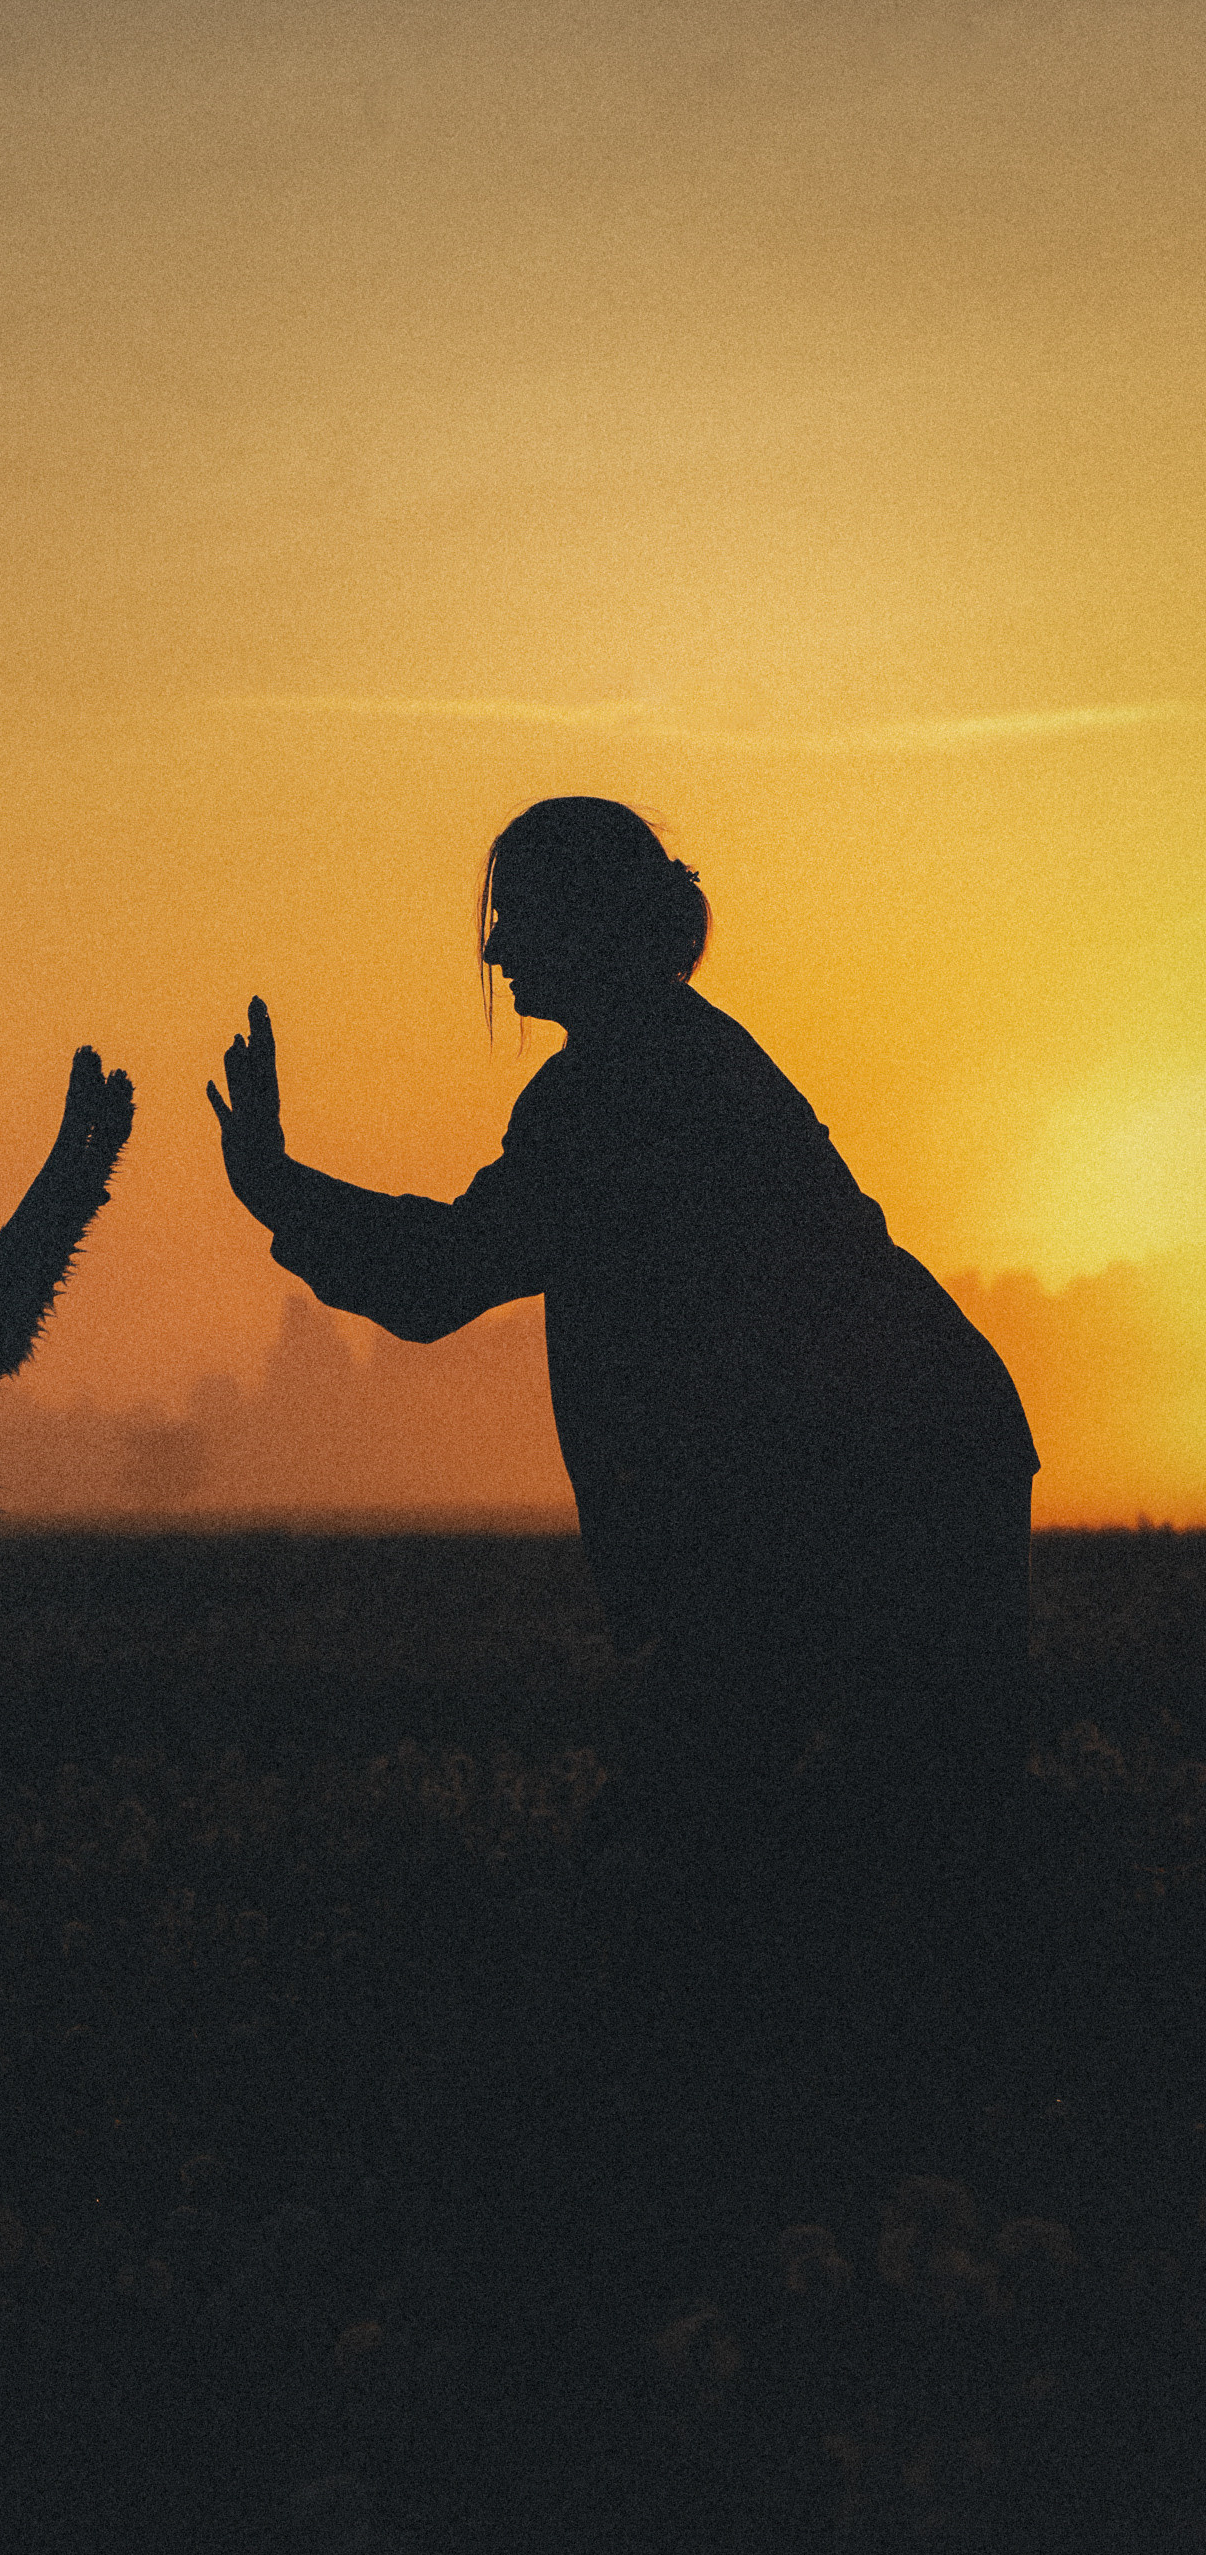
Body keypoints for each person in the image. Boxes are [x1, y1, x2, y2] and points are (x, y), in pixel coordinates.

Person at [208, 797, 1038, 1892]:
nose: (495, 950)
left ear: (583, 923)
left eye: (515, 917)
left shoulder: (616, 1087)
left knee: (737, 1846)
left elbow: (444, 1273)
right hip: (902, 1458)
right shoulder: (668, 1055)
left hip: (858, 1481)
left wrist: (276, 1188)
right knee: (884, 1839)